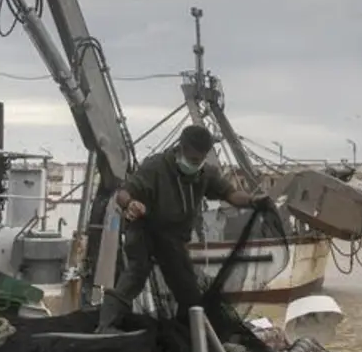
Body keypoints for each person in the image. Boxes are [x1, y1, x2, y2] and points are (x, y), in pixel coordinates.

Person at [96, 124, 270, 333]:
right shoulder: (155, 167)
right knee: (136, 273)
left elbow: (231, 194)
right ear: (181, 149)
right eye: (193, 159)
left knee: (187, 289)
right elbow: (123, 193)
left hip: (173, 238)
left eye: (200, 160)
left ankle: (186, 332)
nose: (196, 164)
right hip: (145, 230)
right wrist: (131, 203)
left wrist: (252, 200)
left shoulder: (204, 173)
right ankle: (106, 326)